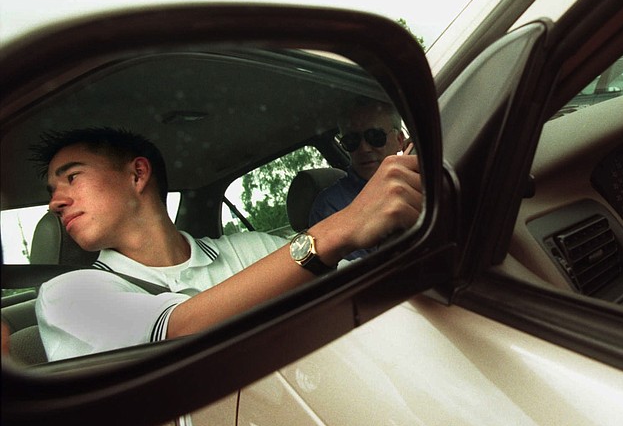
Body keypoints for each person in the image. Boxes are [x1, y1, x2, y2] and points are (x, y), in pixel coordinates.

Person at [31, 127, 421, 361]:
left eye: (71, 178)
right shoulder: (67, 294)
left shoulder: (249, 249)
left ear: (137, 174)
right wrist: (342, 227)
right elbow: (179, 330)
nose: (55, 201)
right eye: (52, 189)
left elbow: (364, 288)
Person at [309, 98, 407, 259]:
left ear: (399, 140)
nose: (364, 148)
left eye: (375, 136)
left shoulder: (421, 175)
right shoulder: (330, 207)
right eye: (352, 141)